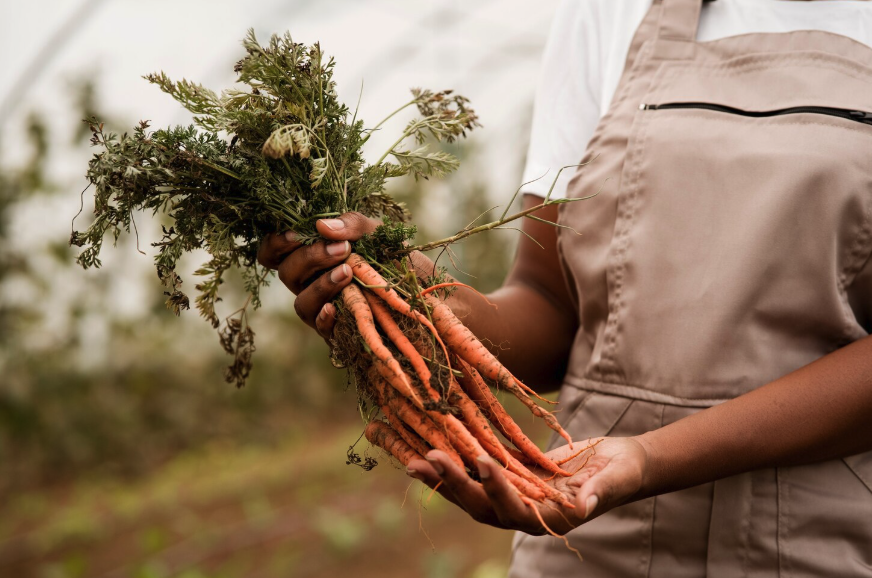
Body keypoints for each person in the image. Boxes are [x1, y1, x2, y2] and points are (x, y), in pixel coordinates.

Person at [258, 0, 872, 575]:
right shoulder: (610, 9)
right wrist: (418, 295)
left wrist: (648, 458)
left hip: (816, 542)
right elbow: (551, 305)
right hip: (586, 535)